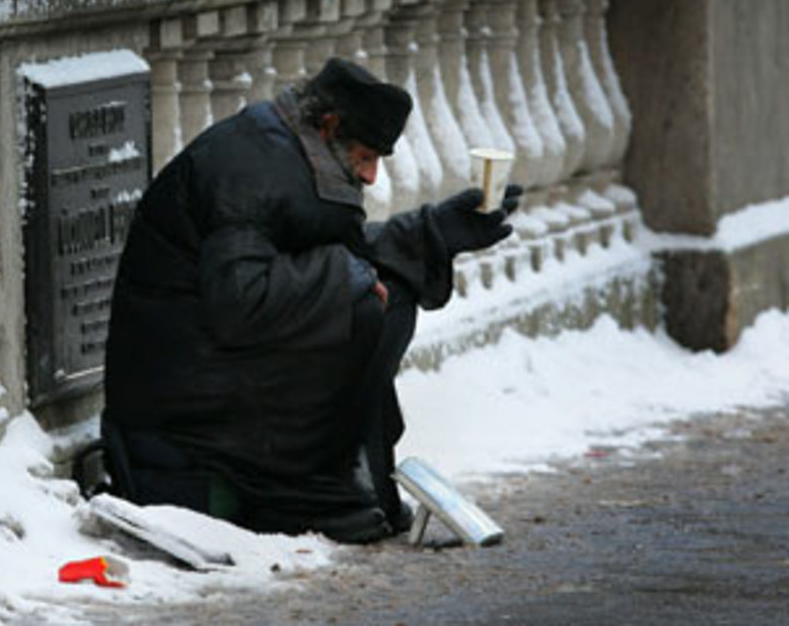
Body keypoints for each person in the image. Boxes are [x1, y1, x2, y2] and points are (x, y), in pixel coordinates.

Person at [99, 57, 520, 543]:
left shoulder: (294, 153)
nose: (370, 176)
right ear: (330, 126)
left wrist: (432, 233)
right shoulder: (250, 169)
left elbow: (318, 257)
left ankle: (338, 478)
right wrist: (348, 277)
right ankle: (301, 493)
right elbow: (243, 301)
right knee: (364, 304)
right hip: (187, 395)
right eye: (365, 156)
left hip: (218, 364)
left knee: (392, 289)